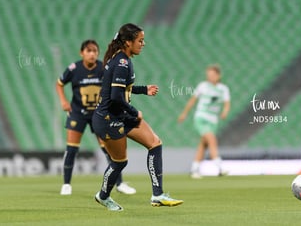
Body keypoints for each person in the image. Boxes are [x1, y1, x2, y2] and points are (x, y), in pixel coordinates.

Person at [92, 23, 183, 211]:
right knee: (120, 162)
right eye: (140, 40)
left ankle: (158, 194)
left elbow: (119, 89)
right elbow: (116, 97)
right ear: (127, 42)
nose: (143, 44)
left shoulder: (121, 59)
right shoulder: (122, 62)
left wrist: (143, 90)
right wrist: (135, 112)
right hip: (109, 119)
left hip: (121, 115)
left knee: (155, 143)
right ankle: (103, 196)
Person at [56, 39, 136, 195]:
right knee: (71, 149)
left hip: (99, 113)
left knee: (108, 149)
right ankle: (66, 184)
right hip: (78, 113)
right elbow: (59, 83)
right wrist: (63, 101)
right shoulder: (74, 69)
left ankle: (119, 183)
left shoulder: (103, 67)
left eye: (95, 51)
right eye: (89, 51)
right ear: (82, 53)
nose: (92, 54)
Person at [178, 64, 231, 179]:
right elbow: (192, 100)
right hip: (201, 117)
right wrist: (184, 113)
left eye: (212, 75)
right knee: (212, 139)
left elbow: (227, 104)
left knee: (203, 145)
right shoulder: (203, 86)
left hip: (213, 120)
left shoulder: (223, 89)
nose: (210, 77)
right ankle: (220, 167)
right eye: (208, 75)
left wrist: (225, 112)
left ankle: (194, 169)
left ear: (218, 75)